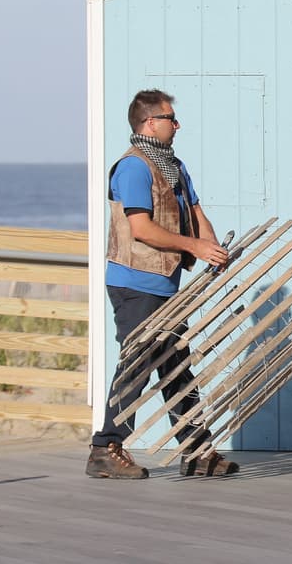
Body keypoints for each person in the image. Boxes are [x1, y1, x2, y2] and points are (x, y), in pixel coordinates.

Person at [85, 89, 239, 479]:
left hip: (164, 283)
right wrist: (195, 247)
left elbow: (195, 210)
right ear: (150, 123)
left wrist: (214, 249)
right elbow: (142, 229)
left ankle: (197, 451)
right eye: (171, 118)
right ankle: (105, 448)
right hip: (134, 283)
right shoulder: (134, 168)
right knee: (136, 366)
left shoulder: (173, 165)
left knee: (176, 365)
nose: (177, 124)